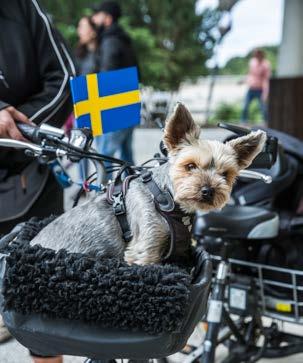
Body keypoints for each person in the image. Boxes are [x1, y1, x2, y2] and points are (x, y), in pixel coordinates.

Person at [0, 1, 75, 363]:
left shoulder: (22, 7)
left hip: (32, 174)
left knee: (44, 313)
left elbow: (64, 78)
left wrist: (19, 128)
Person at [91, 1, 139, 175]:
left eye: (97, 15)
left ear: (108, 18)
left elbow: (106, 75)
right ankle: (136, 193)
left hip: (113, 105)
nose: (94, 19)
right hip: (128, 102)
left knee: (105, 155)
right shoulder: (124, 40)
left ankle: (105, 198)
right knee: (126, 156)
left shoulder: (110, 41)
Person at [74, 16, 99, 181]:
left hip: (99, 104)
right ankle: (84, 183)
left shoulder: (102, 52)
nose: (79, 31)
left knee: (103, 148)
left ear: (93, 31)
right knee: (79, 146)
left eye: (82, 26)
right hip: (82, 105)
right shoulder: (78, 54)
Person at [241, 49, 271, 123]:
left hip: (260, 90)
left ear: (262, 54)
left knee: (263, 108)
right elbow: (250, 74)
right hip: (251, 89)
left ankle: (267, 123)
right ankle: (243, 122)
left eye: (258, 54)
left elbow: (266, 79)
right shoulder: (252, 61)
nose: (256, 56)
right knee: (245, 106)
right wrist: (244, 80)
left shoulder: (266, 64)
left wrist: (265, 93)